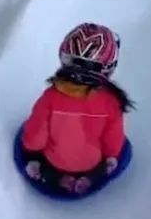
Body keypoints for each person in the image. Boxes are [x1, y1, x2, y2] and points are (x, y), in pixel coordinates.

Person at [20, 23, 135, 195]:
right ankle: (91, 178)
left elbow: (34, 140)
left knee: (35, 160)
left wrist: (30, 152)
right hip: (92, 164)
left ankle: (56, 178)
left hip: (55, 163)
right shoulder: (111, 102)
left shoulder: (50, 98)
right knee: (108, 161)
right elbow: (113, 145)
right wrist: (110, 157)